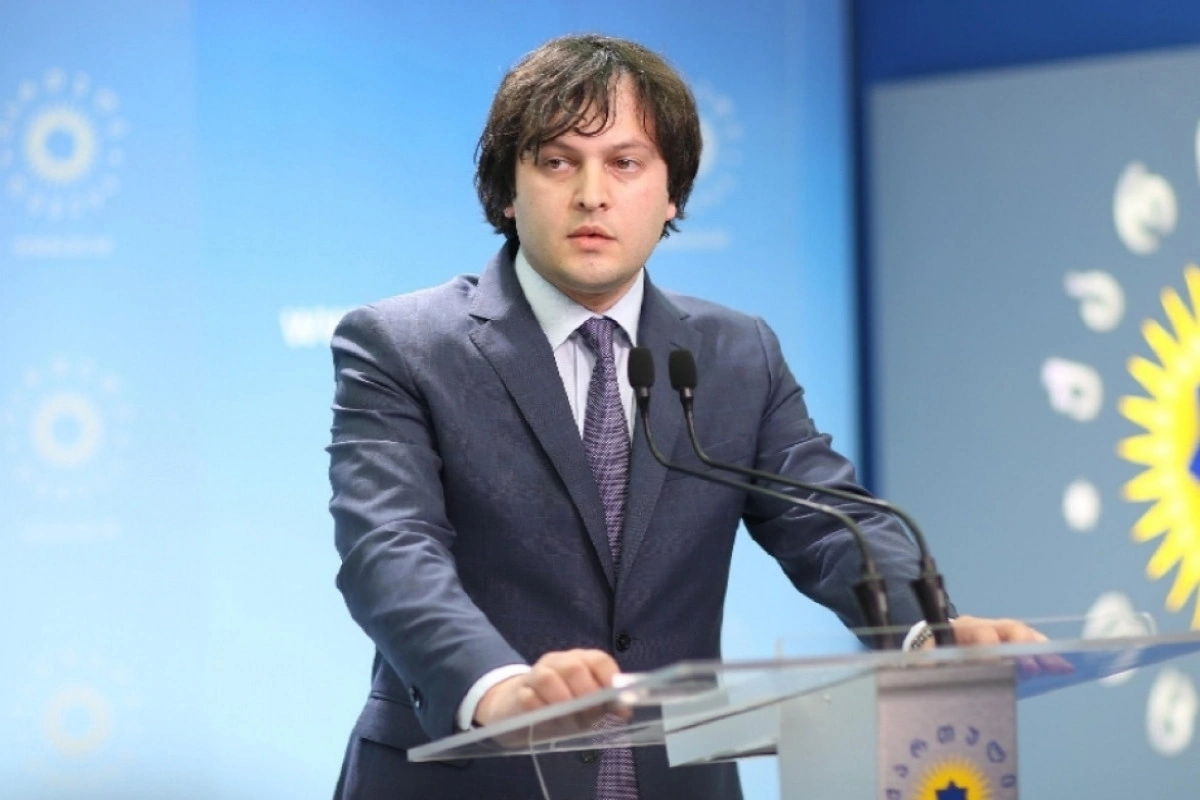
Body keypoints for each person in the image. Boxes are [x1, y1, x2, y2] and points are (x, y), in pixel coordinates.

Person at [327, 33, 1042, 800]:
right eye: (559, 162)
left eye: (625, 164)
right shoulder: (403, 346)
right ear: (507, 190)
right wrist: (499, 688)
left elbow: (832, 524)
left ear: (672, 194)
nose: (592, 194)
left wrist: (928, 634)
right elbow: (389, 551)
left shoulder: (736, 353)